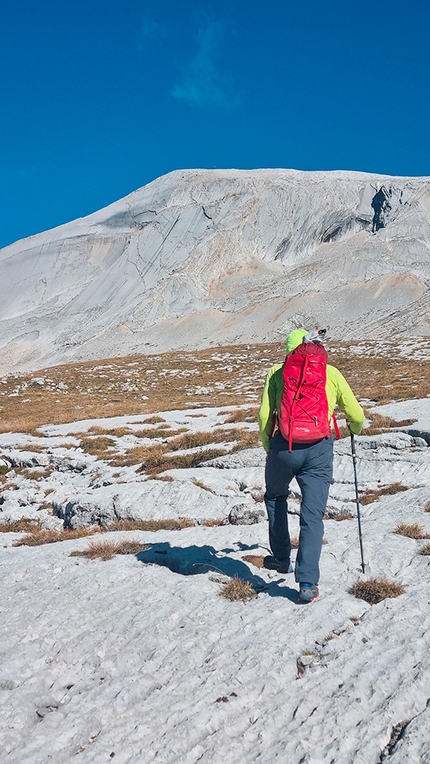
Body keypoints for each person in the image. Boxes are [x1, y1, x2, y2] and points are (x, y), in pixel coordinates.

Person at [258, 328, 365, 603]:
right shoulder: (331, 372)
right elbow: (356, 414)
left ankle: (281, 558)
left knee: (275, 497)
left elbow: (263, 416)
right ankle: (307, 584)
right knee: (312, 514)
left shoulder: (277, 372)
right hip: (319, 450)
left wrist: (270, 446)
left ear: (289, 351)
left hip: (284, 446)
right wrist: (354, 428)